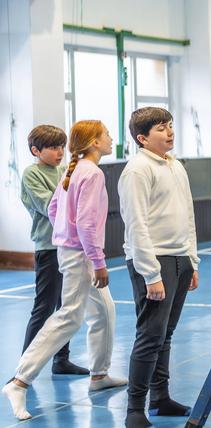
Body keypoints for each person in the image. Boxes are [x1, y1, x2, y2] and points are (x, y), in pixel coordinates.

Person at [4, 120, 125, 421]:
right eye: (107, 135)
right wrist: (97, 261)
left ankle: (99, 375)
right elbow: (84, 222)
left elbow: (55, 208)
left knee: (105, 311)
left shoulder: (74, 171)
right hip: (79, 254)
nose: (111, 139)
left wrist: (63, 235)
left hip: (72, 249)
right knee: (69, 315)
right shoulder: (92, 173)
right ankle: (20, 381)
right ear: (94, 143)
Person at [119, 107, 200, 427]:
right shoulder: (137, 170)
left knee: (166, 334)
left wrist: (192, 260)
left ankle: (160, 397)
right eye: (161, 129)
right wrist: (151, 274)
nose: (169, 133)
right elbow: (135, 226)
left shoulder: (175, 165)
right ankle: (134, 409)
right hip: (154, 260)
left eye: (170, 126)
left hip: (179, 259)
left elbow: (188, 215)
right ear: (142, 138)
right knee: (150, 335)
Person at [18, 125, 89, 376]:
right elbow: (52, 206)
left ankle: (61, 360)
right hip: (49, 247)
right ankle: (24, 367)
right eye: (53, 148)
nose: (60, 152)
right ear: (36, 150)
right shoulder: (31, 174)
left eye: (62, 146)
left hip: (68, 247)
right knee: (44, 307)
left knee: (66, 306)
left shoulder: (63, 169)